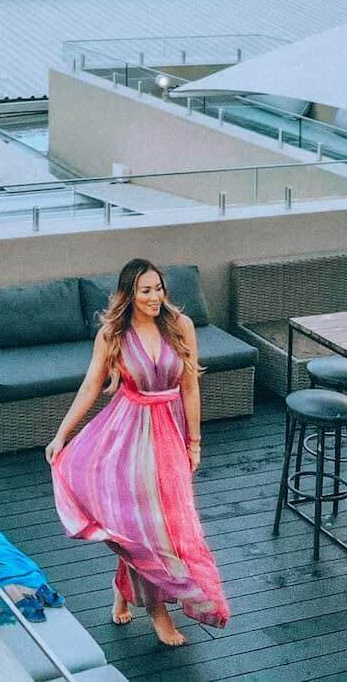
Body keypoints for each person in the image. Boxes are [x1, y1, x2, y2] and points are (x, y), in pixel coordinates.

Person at [46, 258, 229, 647]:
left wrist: (194, 442)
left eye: (158, 288)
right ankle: (158, 613)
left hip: (170, 433)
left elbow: (190, 388)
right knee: (143, 525)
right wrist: (62, 434)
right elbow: (91, 386)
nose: (154, 297)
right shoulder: (113, 334)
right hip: (127, 434)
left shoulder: (180, 326)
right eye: (145, 290)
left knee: (162, 524)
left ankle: (123, 589)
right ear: (129, 294)